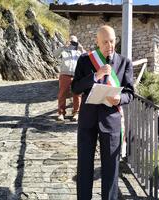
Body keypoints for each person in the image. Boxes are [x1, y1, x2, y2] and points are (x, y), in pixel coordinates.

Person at [71, 25, 134, 200]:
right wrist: (95, 76)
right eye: (105, 42)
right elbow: (75, 88)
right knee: (84, 165)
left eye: (112, 41)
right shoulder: (85, 60)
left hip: (111, 120)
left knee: (111, 168)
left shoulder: (124, 63)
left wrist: (120, 99)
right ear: (97, 42)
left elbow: (130, 93)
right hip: (87, 120)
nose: (109, 45)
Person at [53, 35, 85, 122]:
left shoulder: (79, 52)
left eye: (74, 42)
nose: (72, 43)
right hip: (64, 75)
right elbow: (54, 54)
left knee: (77, 94)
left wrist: (81, 48)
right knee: (62, 94)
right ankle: (61, 113)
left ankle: (76, 113)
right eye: (71, 41)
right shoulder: (64, 50)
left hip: (76, 76)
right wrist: (64, 46)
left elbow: (87, 57)